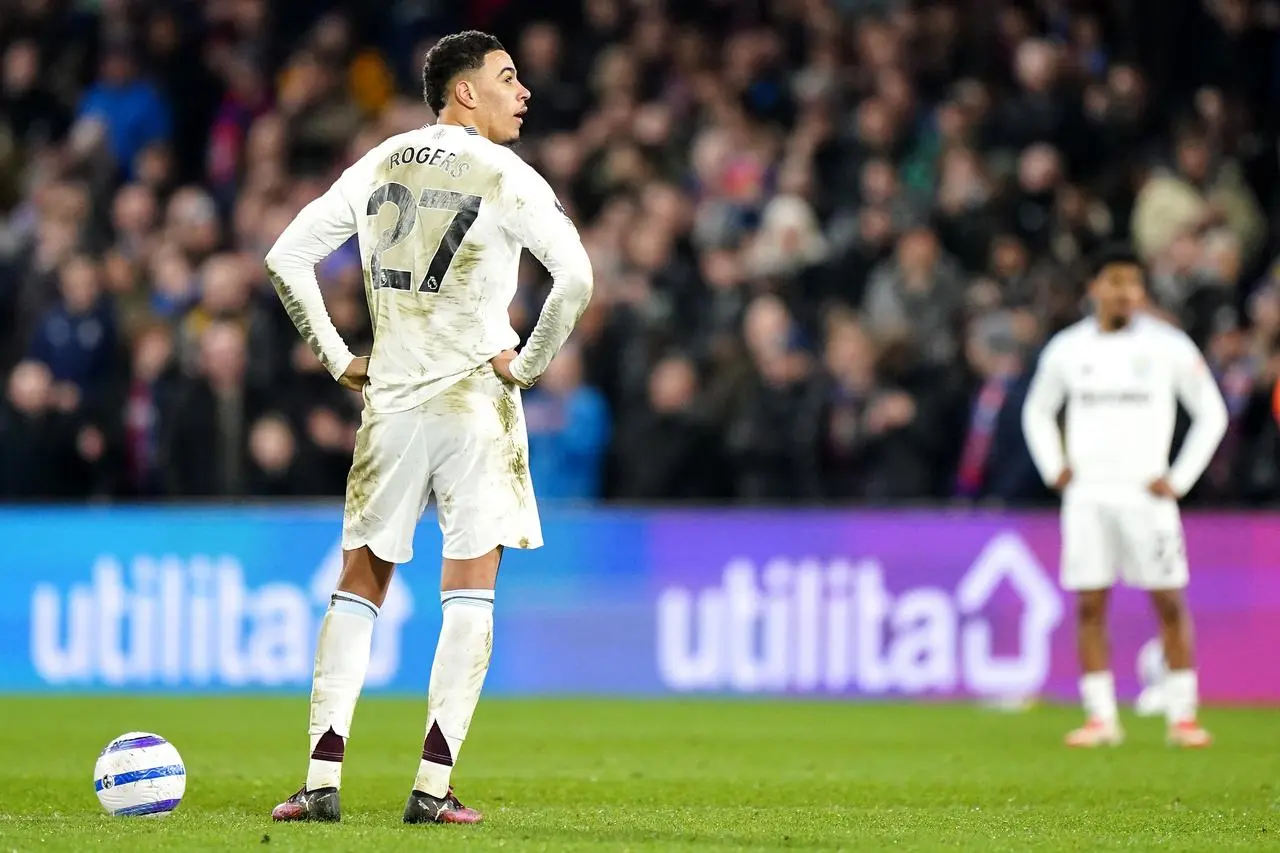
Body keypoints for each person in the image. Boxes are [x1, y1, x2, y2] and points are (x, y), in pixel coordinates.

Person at [262, 30, 593, 823]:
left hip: (393, 404)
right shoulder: (505, 173)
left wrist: (341, 357)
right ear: (464, 91)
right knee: (469, 593)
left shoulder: (380, 161)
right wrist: (530, 361)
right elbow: (576, 277)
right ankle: (432, 788)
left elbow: (283, 257)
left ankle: (319, 781)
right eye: (508, 79)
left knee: (359, 584)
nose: (525, 93)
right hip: (475, 403)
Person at [1021, 245, 1227, 749]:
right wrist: (1056, 468)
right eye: (1114, 281)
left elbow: (1212, 413)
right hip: (1088, 496)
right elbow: (1037, 411)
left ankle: (1182, 716)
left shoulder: (1169, 346)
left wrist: (1178, 479)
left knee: (1169, 601)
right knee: (1090, 604)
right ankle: (1101, 718)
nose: (1124, 292)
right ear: (1094, 288)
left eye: (1133, 282)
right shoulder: (1067, 349)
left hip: (1146, 497)